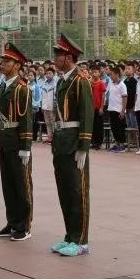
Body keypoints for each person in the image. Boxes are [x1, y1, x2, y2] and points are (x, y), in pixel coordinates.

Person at [49, 34, 94, 257]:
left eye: (58, 54)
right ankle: (70, 235)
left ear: (68, 57)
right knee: (65, 190)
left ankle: (81, 239)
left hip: (75, 140)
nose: (54, 58)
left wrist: (84, 146)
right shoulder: (63, 80)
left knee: (78, 191)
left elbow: (87, 114)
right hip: (62, 141)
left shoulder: (81, 80)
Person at [0, 43, 34, 242]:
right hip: (5, 140)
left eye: (7, 61)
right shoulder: (2, 86)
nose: (3, 64)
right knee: (8, 184)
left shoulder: (22, 88)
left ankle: (24, 225)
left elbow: (26, 118)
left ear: (17, 65)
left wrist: (26, 147)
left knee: (22, 185)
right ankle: (12, 221)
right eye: (3, 60)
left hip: (18, 142)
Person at [106, 66, 127, 152]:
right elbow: (107, 93)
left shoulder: (122, 85)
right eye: (110, 74)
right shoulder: (110, 83)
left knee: (120, 128)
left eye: (112, 74)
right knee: (114, 127)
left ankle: (122, 145)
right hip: (111, 109)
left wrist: (123, 110)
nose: (111, 76)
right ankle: (116, 144)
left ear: (117, 74)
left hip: (119, 110)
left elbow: (125, 98)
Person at [90, 63, 106, 150]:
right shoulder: (90, 83)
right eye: (92, 72)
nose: (94, 74)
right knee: (93, 125)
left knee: (99, 126)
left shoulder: (101, 83)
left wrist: (101, 107)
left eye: (95, 72)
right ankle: (93, 142)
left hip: (98, 107)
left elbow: (103, 96)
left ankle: (99, 143)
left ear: (99, 73)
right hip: (92, 108)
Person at [39, 67, 56, 143]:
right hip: (45, 106)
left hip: (52, 106)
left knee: (53, 122)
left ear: (53, 74)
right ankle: (49, 137)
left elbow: (55, 96)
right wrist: (42, 105)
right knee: (47, 122)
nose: (48, 75)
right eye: (47, 74)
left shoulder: (55, 83)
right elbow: (42, 95)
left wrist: (55, 105)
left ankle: (55, 137)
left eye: (50, 73)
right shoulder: (44, 83)